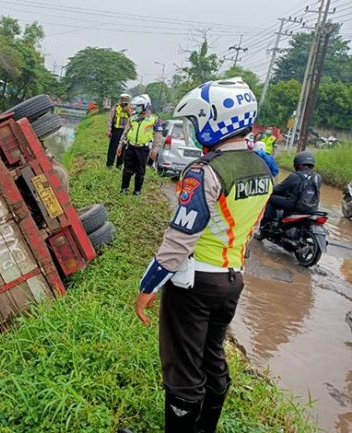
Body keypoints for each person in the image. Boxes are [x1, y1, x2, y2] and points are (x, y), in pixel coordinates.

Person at [133, 77, 273, 433]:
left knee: (183, 370)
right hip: (232, 280)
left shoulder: (204, 171)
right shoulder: (264, 169)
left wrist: (147, 287)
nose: (195, 130)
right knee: (212, 357)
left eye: (197, 121)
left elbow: (180, 238)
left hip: (193, 283)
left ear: (215, 120)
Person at [259, 151, 321, 232]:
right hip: (312, 208)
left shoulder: (295, 176)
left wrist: (268, 188)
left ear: (297, 164)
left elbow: (280, 189)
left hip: (294, 205)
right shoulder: (318, 177)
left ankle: (267, 223)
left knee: (271, 199)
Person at [121, 94, 162, 195]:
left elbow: (158, 135)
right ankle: (124, 189)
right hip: (130, 146)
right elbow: (126, 131)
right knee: (127, 169)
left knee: (140, 170)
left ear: (146, 106)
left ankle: (137, 191)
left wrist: (155, 149)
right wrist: (120, 144)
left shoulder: (154, 119)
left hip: (143, 149)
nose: (137, 108)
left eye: (139, 106)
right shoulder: (133, 117)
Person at [106, 93, 132, 168]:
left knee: (123, 149)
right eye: (123, 100)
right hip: (116, 130)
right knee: (113, 148)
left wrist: (128, 112)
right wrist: (109, 129)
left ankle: (119, 165)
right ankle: (109, 164)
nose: (124, 103)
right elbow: (110, 119)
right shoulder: (116, 107)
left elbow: (132, 119)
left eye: (126, 101)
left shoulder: (130, 109)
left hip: (125, 131)